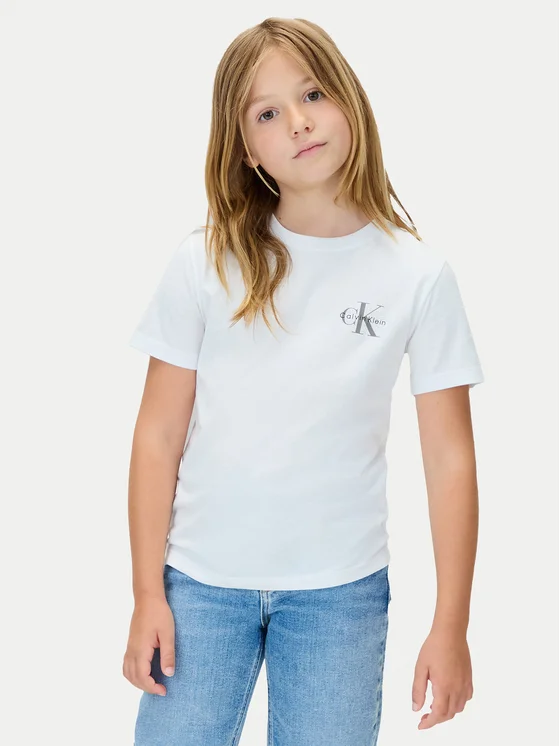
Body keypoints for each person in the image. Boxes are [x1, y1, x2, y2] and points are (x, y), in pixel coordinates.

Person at [123, 16, 485, 746]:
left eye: (313, 93)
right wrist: (145, 595)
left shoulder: (418, 276)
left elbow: (451, 461)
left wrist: (451, 627)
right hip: (201, 587)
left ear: (348, 98)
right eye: (267, 113)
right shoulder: (206, 262)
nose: (298, 121)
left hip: (340, 598)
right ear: (245, 148)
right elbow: (157, 436)